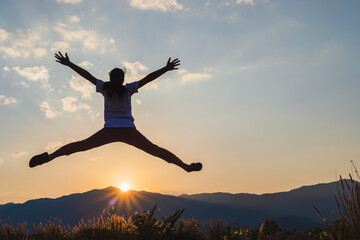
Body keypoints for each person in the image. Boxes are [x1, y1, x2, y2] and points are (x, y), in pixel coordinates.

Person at [29, 52, 202, 173]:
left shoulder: (104, 87)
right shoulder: (128, 89)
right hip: (129, 131)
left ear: (111, 78)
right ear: (123, 79)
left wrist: (69, 64)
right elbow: (147, 79)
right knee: (155, 150)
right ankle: (185, 167)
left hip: (109, 131)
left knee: (81, 145)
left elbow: (87, 75)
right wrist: (165, 69)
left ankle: (50, 157)